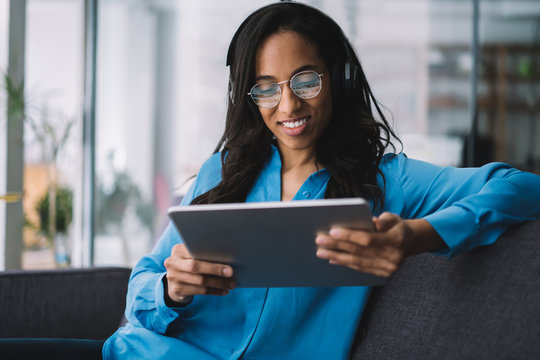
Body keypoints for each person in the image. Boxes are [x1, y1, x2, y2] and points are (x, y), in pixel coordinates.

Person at [103, 2, 540, 359]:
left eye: (306, 80)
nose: (288, 105)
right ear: (250, 98)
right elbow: (141, 287)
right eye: (267, 88)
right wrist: (170, 289)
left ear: (339, 79)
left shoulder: (388, 182)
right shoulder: (223, 170)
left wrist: (415, 237)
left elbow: (523, 186)